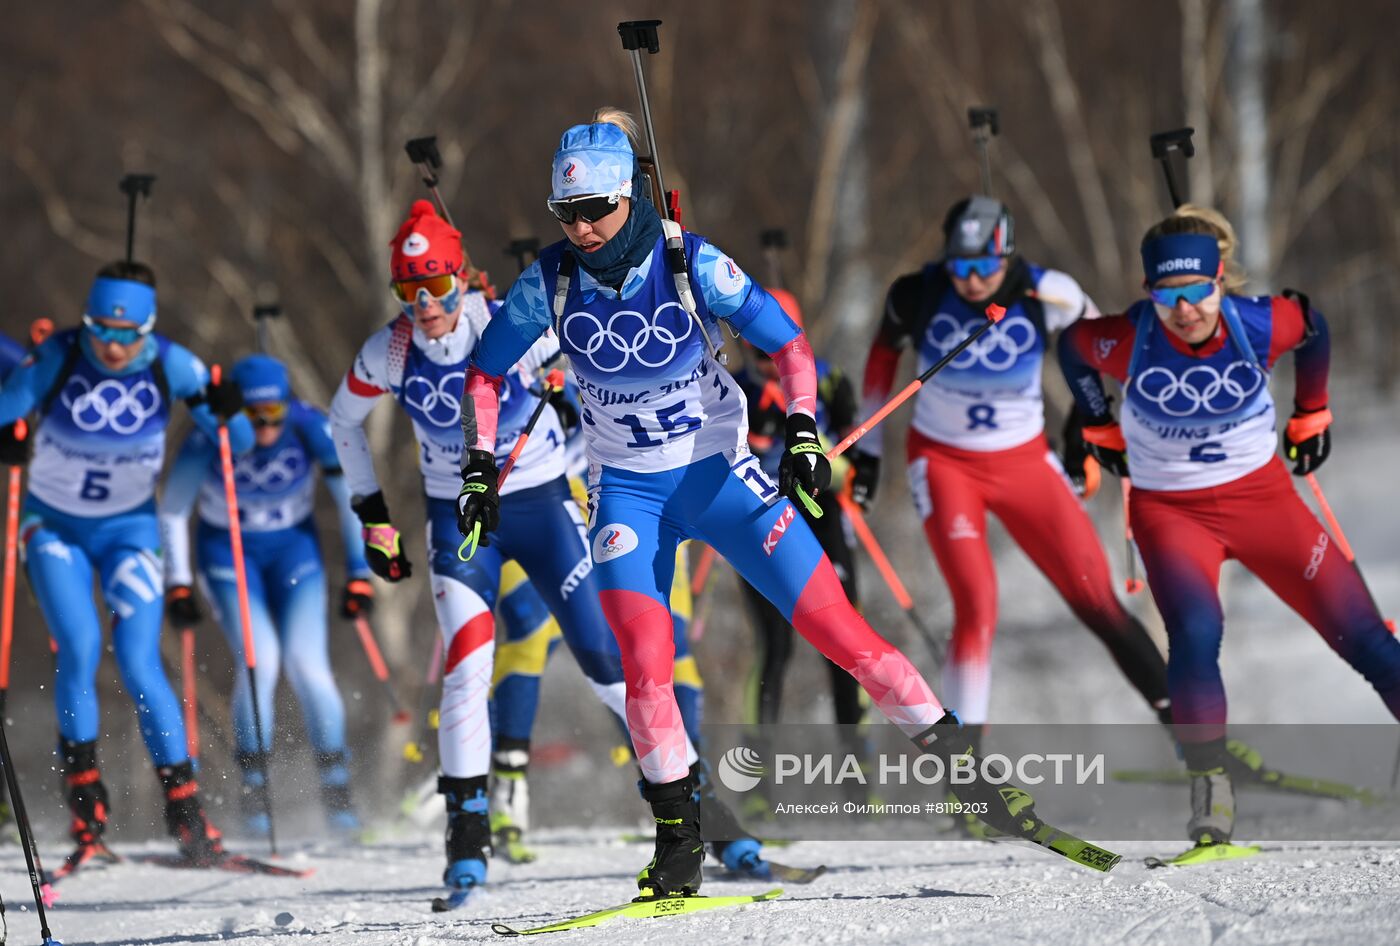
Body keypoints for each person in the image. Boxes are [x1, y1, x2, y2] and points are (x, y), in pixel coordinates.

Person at [455, 110, 1046, 899]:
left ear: (631, 195)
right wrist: (478, 467)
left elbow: (791, 345)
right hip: (628, 494)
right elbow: (484, 376)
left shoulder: (691, 261)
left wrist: (802, 431)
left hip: (722, 478)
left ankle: (968, 778)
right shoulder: (549, 284)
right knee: (645, 672)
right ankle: (679, 843)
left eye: (597, 209)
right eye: (569, 214)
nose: (584, 228)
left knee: (844, 637)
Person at [328, 200, 754, 900]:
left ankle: (705, 810)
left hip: (544, 504)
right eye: (409, 291)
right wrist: (372, 516)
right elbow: (341, 422)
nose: (425, 306)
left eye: (436, 286)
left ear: (462, 278)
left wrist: (567, 403)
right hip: (463, 517)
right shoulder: (391, 350)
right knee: (469, 664)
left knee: (607, 666)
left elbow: (606, 357)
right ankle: (467, 838)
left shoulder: (506, 325)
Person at [1058, 204, 1400, 851]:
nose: (1184, 309)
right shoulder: (1126, 339)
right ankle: (1210, 786)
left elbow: (1315, 329)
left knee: (1366, 642)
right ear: (1147, 292)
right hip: (1173, 511)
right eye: (1167, 294)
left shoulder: (1262, 322)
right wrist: (1097, 421)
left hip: (1265, 503)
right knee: (1194, 634)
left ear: (1220, 281)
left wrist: (1313, 411)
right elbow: (1071, 349)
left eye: (1196, 291)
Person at [849, 197, 1171, 751]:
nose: (973, 281)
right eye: (961, 267)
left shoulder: (1053, 294)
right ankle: (966, 768)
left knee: (1096, 598)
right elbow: (882, 359)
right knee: (977, 601)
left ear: (1008, 256)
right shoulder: (919, 292)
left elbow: (1097, 357)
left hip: (1023, 461)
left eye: (986, 267)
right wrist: (869, 451)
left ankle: (1195, 736)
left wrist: (1082, 437)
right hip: (945, 462)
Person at [0, 261, 249, 868]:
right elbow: (6, 408)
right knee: (79, 647)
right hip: (52, 528)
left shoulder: (174, 363)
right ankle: (85, 803)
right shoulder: (59, 356)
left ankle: (187, 814)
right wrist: (11, 431)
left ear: (148, 328)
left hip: (131, 533)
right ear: (87, 322)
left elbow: (233, 442)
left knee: (140, 661)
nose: (112, 346)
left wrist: (226, 410)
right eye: (101, 331)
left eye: (127, 334)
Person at [159, 354, 370, 836]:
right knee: (261, 662)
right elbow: (172, 511)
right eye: (254, 417)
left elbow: (351, 495)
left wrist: (360, 570)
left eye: (275, 412)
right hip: (229, 557)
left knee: (310, 668)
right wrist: (178, 582)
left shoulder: (308, 425)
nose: (267, 425)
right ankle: (254, 790)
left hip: (294, 555)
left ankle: (338, 789)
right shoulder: (209, 436)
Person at [731, 288, 866, 733]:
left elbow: (858, 460)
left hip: (821, 512)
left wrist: (836, 465)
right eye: (755, 352)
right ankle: (758, 782)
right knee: (776, 646)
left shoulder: (826, 380)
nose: (766, 364)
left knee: (846, 639)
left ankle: (858, 773)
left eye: (774, 352)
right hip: (760, 516)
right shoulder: (733, 390)